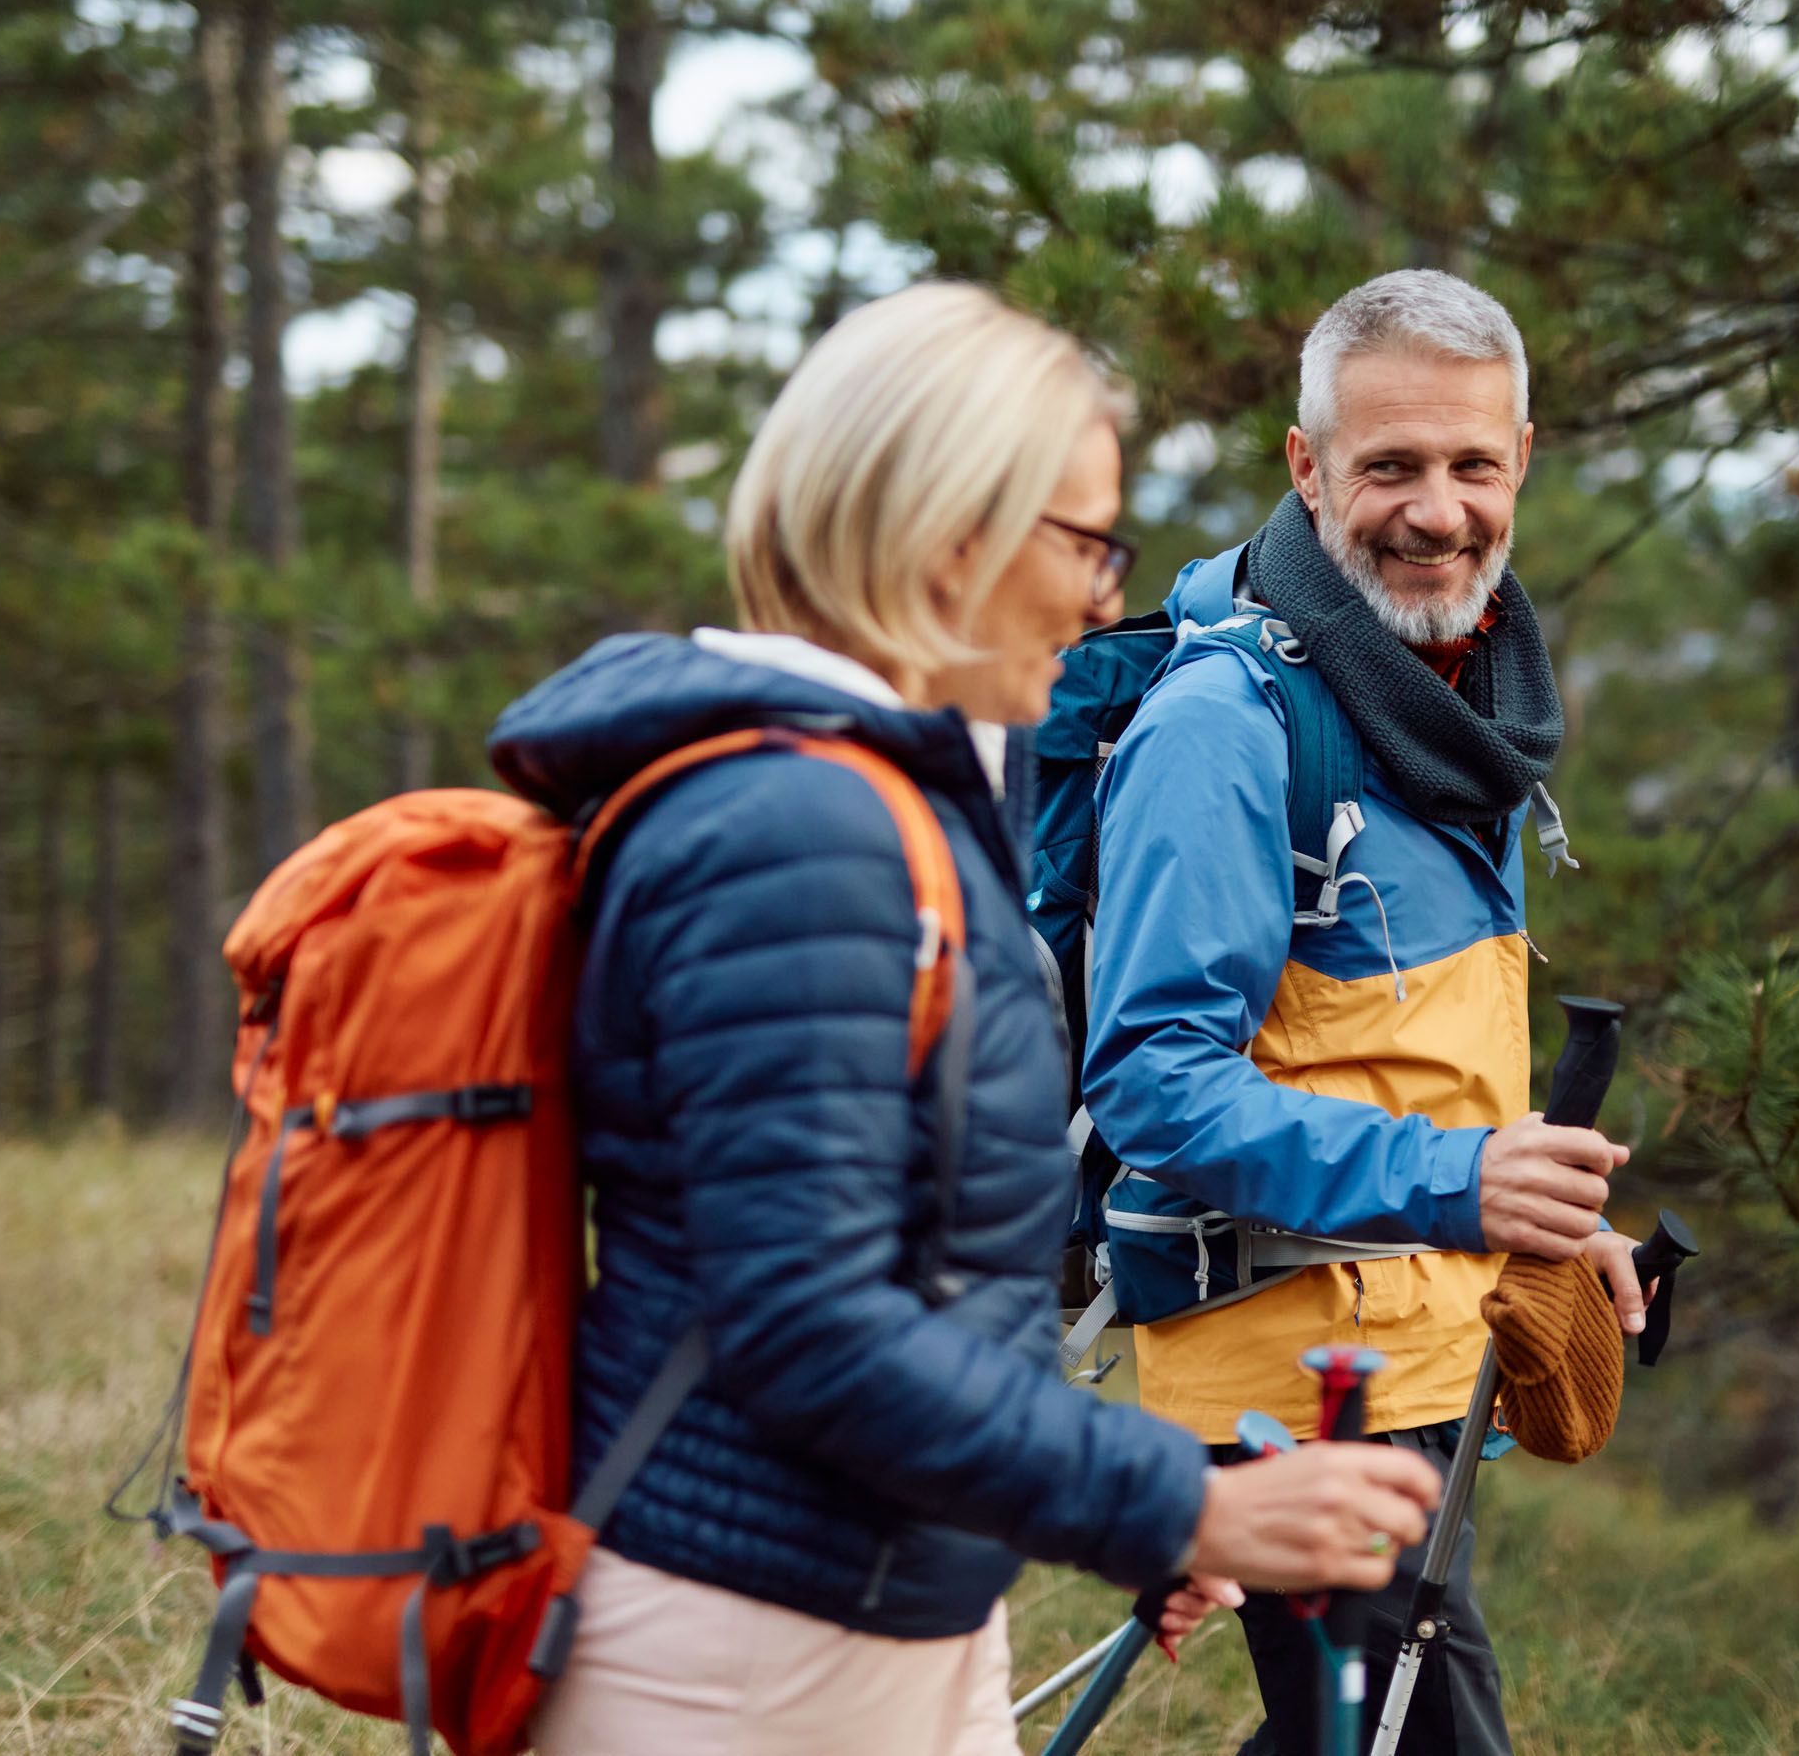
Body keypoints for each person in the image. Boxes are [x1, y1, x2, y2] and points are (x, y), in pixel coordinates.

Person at [485, 282, 1442, 1756]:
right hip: (742, 1653)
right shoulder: (793, 828)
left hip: (869, 1610)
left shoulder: (881, 803)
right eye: (1083, 541)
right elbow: (806, 1326)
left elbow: (935, 1276)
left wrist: (1124, 1511)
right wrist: (1181, 1494)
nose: (1096, 596)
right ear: (949, 535)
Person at [1082, 269, 1651, 1756]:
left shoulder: (1463, 708)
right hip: (1289, 1374)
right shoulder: (1225, 721)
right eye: (1388, 464)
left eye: (1470, 464)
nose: (1436, 509)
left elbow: (1398, 1056)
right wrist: (1462, 1183)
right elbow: (1154, 1080)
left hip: (1416, 1351)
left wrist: (1523, 1208)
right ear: (1305, 466)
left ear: (1521, 456)